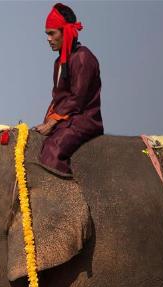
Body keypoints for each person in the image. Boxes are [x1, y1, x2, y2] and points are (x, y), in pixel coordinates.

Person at [33, 3, 103, 177]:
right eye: (47, 34)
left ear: (66, 31)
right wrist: (47, 120)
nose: (48, 39)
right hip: (66, 119)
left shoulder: (83, 57)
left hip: (83, 120)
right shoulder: (59, 62)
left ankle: (65, 201)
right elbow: (58, 99)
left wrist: (51, 123)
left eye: (52, 33)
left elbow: (77, 99)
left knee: (52, 150)